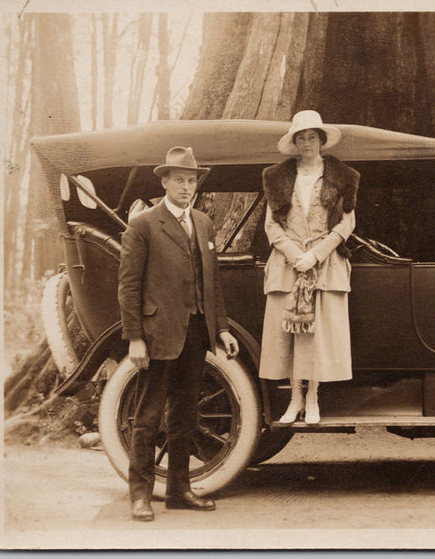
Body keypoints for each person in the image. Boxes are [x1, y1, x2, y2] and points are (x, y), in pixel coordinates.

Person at [118, 146, 240, 522]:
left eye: (192, 181)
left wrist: (220, 328)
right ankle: (140, 495)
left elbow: (212, 283)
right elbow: (128, 286)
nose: (187, 187)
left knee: (185, 414)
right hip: (157, 335)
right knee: (149, 415)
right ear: (165, 182)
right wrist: (135, 337)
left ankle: (178, 491)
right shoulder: (143, 224)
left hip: (197, 332)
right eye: (180, 180)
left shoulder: (203, 223)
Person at [259, 110, 359, 425]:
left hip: (325, 265)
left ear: (321, 140)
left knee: (314, 335)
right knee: (289, 334)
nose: (307, 143)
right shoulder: (278, 177)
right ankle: (294, 399)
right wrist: (293, 254)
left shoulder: (341, 176)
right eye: (301, 137)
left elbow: (347, 223)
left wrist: (315, 255)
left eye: (311, 137)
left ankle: (313, 397)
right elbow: (271, 226)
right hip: (287, 266)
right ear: (295, 141)